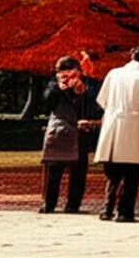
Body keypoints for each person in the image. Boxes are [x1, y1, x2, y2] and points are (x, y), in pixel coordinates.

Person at [93, 46, 139, 222]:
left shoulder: (113, 73)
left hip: (113, 124)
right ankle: (124, 211)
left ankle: (106, 208)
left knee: (113, 172)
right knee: (131, 172)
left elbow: (102, 100)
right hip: (135, 126)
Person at [39, 56, 90, 213]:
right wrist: (65, 88)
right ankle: (59, 204)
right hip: (67, 130)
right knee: (62, 170)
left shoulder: (83, 87)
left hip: (69, 130)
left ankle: (62, 204)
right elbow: (47, 104)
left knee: (69, 170)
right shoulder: (56, 87)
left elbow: (46, 104)